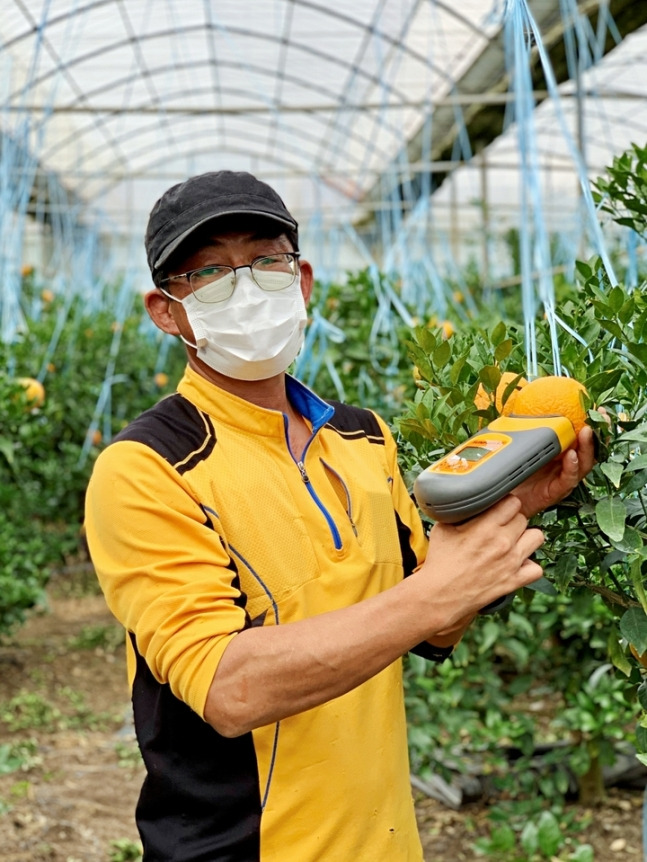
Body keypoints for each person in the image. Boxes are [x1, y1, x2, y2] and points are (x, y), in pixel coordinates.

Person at [83, 170, 595, 862]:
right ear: (165, 310)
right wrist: (432, 592)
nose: (246, 284)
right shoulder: (147, 467)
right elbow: (226, 687)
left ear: (303, 281)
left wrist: (508, 502)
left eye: (266, 259)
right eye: (209, 273)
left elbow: (432, 623)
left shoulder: (364, 438)